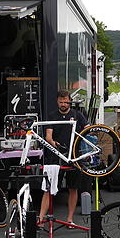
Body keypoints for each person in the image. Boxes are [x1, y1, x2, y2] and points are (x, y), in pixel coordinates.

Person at [38, 90, 89, 226]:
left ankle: (70, 219)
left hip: (74, 156)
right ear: (57, 102)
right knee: (49, 189)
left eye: (65, 102)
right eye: (60, 102)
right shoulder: (52, 115)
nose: (63, 104)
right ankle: (41, 218)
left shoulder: (77, 115)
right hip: (56, 157)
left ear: (70, 101)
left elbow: (88, 128)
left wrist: (92, 130)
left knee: (73, 188)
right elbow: (48, 136)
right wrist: (54, 144)